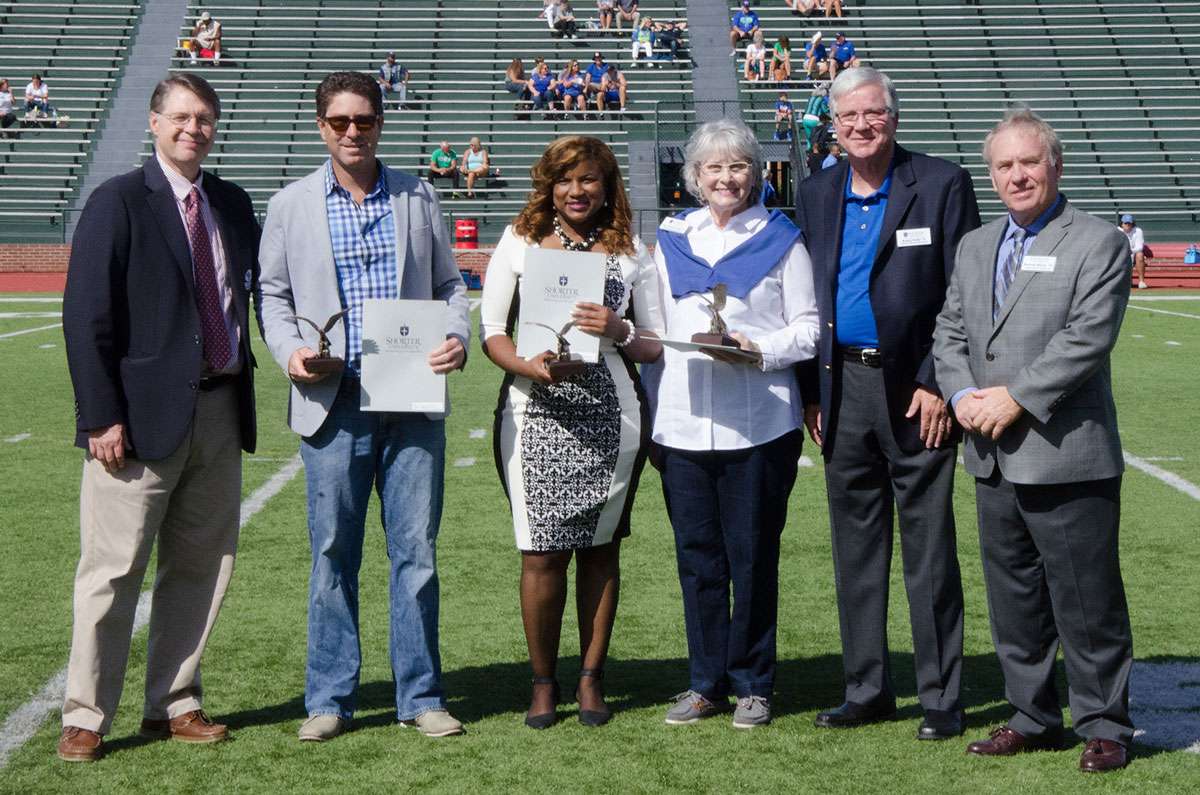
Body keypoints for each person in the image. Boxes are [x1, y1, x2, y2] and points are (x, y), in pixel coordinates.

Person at [258, 70, 470, 742]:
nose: (354, 132)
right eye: (341, 121)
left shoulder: (417, 193)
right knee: (331, 551)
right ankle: (329, 697)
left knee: (416, 552)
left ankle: (421, 695)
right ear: (322, 126)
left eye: (366, 120)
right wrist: (291, 352)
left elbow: (450, 285)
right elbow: (273, 295)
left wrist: (457, 338)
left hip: (409, 398)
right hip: (331, 401)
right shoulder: (291, 203)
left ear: (381, 122)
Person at [57, 72, 259, 763]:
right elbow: (87, 321)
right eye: (180, 116)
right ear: (154, 123)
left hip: (222, 408)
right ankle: (86, 713)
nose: (192, 128)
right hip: (137, 425)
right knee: (112, 572)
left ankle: (175, 701)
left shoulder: (230, 202)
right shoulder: (118, 202)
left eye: (204, 118)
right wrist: (99, 416)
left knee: (201, 567)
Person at [933, 108, 1135, 774]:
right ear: (991, 174)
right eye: (1004, 165)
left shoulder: (1098, 241)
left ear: (1056, 164)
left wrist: (1014, 396)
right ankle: (1032, 714)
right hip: (989, 453)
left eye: (1029, 161)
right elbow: (950, 334)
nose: (1017, 175)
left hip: (1064, 449)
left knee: (1085, 597)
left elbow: (1086, 339)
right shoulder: (975, 245)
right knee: (1014, 595)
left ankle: (1104, 721)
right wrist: (962, 395)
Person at [795, 67, 980, 741]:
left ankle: (940, 697)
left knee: (929, 549)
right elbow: (809, 296)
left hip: (916, 389)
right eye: (848, 118)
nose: (861, 126)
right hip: (842, 390)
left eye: (872, 114)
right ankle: (867, 687)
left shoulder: (939, 183)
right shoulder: (815, 189)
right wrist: (812, 391)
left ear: (893, 117)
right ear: (834, 127)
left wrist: (938, 379)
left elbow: (965, 292)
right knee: (855, 549)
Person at [479, 136, 663, 729]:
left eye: (588, 180)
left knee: (602, 549)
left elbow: (654, 345)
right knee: (540, 552)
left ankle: (590, 679)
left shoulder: (633, 249)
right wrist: (526, 365)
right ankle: (541, 683)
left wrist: (619, 327)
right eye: (564, 180)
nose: (576, 191)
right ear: (547, 185)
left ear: (608, 186)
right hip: (534, 413)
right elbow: (491, 330)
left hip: (613, 415)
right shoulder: (519, 240)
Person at [645, 119, 820, 729]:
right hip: (683, 423)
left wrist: (757, 347)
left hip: (760, 424)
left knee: (751, 558)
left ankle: (754, 682)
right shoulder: (670, 240)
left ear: (756, 173)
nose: (726, 178)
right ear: (695, 177)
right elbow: (653, 326)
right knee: (697, 558)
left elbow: (809, 327)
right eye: (713, 168)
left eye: (738, 166)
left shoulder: (782, 239)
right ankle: (705, 683)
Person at [1119, 213, 1147, 289]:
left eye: (1129, 223)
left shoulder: (1138, 231)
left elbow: (1139, 248)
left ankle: (1141, 281)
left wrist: (1129, 251)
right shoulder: (1117, 231)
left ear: (1132, 223)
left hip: (1133, 254)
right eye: (1126, 223)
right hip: (1122, 254)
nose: (1128, 225)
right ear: (1122, 224)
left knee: (1140, 255)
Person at [801, 82, 830, 148]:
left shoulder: (811, 97)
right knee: (816, 139)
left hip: (805, 119)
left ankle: (808, 155)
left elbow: (806, 108)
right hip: (814, 119)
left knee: (809, 139)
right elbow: (824, 110)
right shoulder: (822, 99)